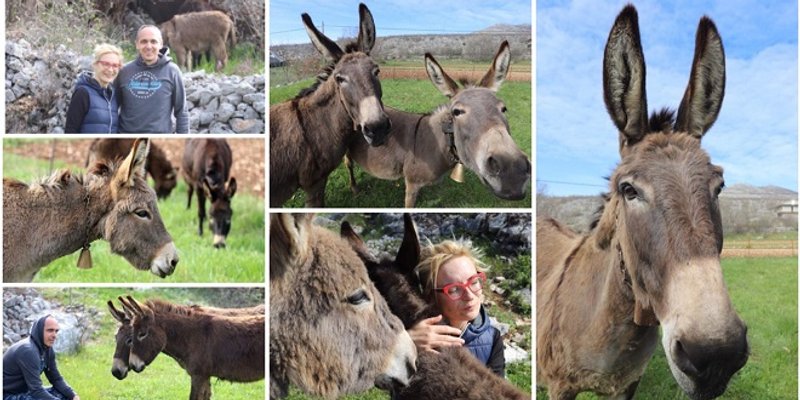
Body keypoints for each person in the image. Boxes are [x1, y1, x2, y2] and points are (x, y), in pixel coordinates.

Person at [409, 240, 506, 377]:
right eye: (454, 289)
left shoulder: (491, 338)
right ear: (430, 295)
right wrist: (407, 345)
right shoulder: (413, 336)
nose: (469, 296)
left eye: (474, 282)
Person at [115, 25, 189, 133]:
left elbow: (181, 111)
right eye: (144, 41)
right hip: (126, 139)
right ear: (137, 44)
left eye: (153, 41)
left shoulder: (172, 71)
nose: (149, 46)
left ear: (161, 44)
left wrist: (183, 140)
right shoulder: (124, 71)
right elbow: (111, 109)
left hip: (160, 140)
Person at [3, 315, 80, 400]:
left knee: (64, 394)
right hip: (7, 395)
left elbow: (56, 379)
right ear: (39, 331)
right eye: (50, 330)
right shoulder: (28, 350)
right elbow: (36, 390)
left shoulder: (47, 350)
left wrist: (73, 395)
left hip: (26, 391)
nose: (54, 335)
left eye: (56, 331)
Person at [64, 44, 123, 133]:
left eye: (115, 65)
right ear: (95, 64)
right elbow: (70, 131)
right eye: (106, 64)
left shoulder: (113, 96)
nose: (110, 70)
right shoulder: (83, 93)